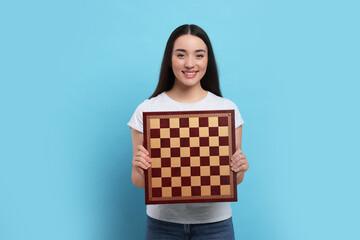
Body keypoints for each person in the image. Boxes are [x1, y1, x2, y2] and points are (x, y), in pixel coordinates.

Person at [127, 24, 249, 240]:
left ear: (207, 60)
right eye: (181, 55)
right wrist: (139, 166)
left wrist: (240, 169)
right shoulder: (147, 110)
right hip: (162, 225)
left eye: (199, 55)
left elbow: (233, 179)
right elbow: (138, 180)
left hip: (215, 225)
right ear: (169, 59)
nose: (190, 63)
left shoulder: (227, 110)